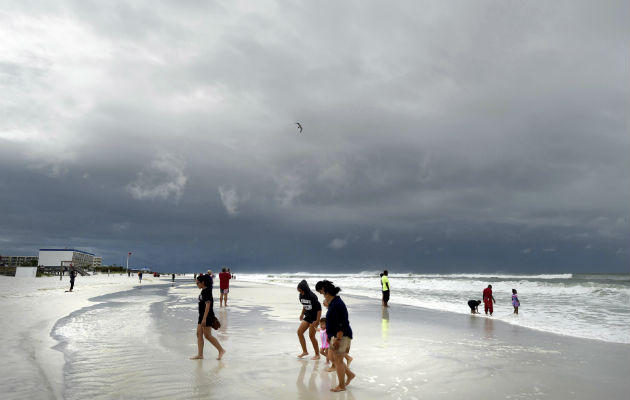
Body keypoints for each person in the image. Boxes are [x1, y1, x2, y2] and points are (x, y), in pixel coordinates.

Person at [321, 281, 355, 392]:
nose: (323, 295)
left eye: (323, 293)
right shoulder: (333, 303)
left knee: (338, 361)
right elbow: (332, 321)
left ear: (327, 294)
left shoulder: (337, 304)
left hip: (341, 335)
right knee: (332, 358)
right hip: (334, 335)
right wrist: (329, 336)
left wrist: (338, 338)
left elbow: (342, 322)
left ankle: (341, 386)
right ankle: (350, 375)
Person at [190, 274, 225, 360]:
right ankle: (200, 355)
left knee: (208, 336)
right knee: (199, 334)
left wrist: (204, 318)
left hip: (207, 316)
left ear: (203, 282)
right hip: (202, 316)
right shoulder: (204, 290)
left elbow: (208, 304)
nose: (197, 284)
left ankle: (221, 350)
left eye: (197, 283)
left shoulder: (207, 291)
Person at [297, 280, 321, 360]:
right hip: (307, 316)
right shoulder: (301, 295)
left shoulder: (312, 296)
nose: (300, 292)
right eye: (299, 291)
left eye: (301, 290)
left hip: (314, 317)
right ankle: (305, 351)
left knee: (311, 336)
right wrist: (302, 314)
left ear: (305, 289)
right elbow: (305, 304)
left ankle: (317, 354)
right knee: (299, 332)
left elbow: (319, 309)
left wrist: (317, 321)